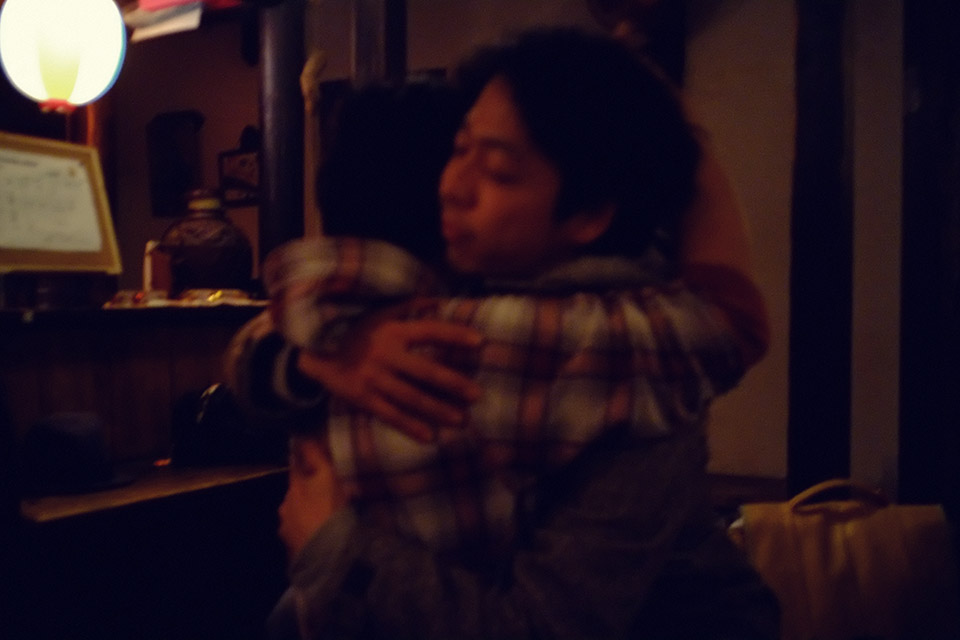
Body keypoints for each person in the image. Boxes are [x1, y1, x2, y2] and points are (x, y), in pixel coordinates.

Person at [229, 27, 777, 639]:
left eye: (498, 170)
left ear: (590, 215)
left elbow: (543, 627)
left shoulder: (631, 363)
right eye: (459, 149)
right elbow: (255, 349)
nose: (451, 186)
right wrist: (327, 354)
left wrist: (335, 550)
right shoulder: (464, 282)